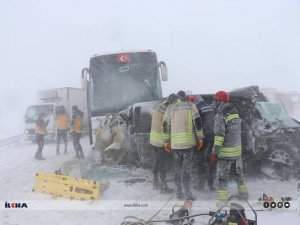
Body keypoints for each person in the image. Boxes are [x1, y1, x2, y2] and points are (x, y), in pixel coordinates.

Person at [163, 91, 204, 200]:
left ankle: (179, 194)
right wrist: (200, 138)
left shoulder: (170, 107)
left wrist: (166, 141)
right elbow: (197, 121)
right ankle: (189, 195)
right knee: (187, 171)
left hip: (176, 145)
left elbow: (165, 124)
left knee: (177, 170)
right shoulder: (191, 105)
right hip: (188, 144)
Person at [210, 91, 249, 203]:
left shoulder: (220, 115)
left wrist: (214, 153)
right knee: (239, 174)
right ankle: (244, 194)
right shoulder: (234, 112)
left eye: (215, 100)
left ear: (220, 101)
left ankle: (223, 201)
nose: (214, 103)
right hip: (236, 152)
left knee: (222, 178)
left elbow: (219, 136)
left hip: (225, 153)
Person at [149, 94, 176, 194]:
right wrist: (167, 141)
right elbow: (165, 126)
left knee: (156, 162)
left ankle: (155, 182)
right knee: (162, 164)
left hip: (153, 139)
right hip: (161, 141)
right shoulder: (167, 110)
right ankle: (163, 187)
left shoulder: (159, 106)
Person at [189, 95, 216, 191]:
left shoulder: (197, 108)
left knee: (201, 161)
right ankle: (211, 185)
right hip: (213, 136)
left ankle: (200, 186)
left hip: (204, 137)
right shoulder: (210, 106)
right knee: (212, 161)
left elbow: (197, 125)